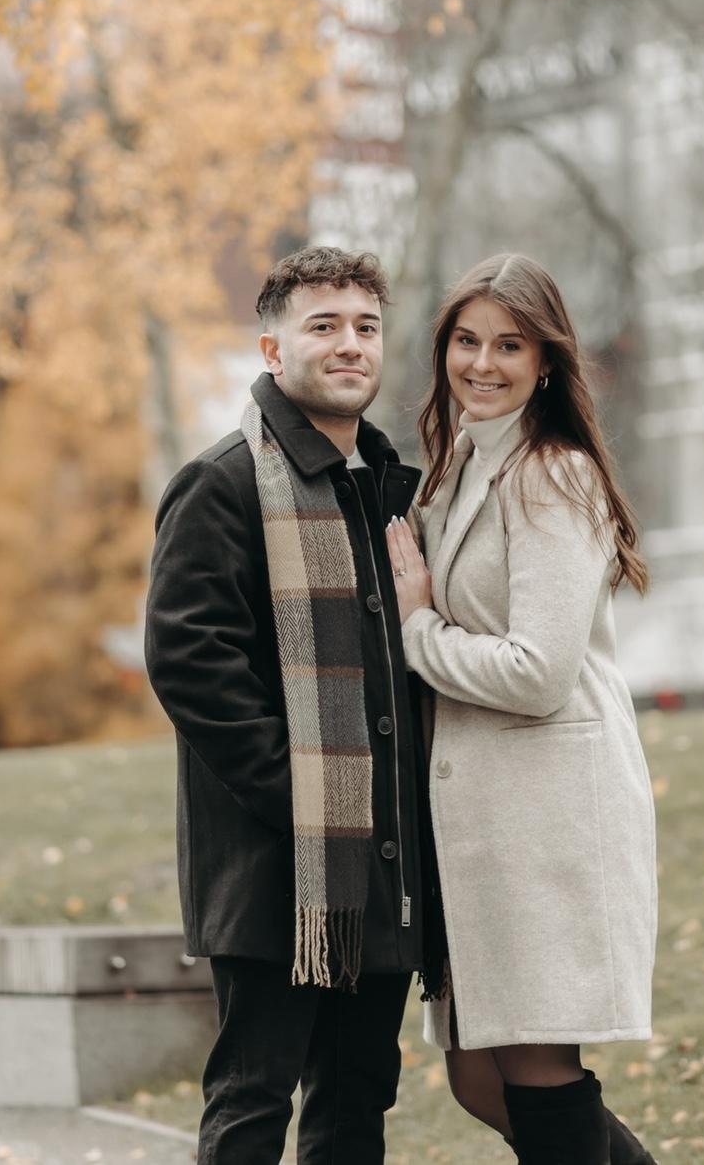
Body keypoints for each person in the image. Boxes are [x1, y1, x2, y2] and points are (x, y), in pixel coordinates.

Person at [144, 246, 437, 1165]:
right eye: (324, 326)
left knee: (355, 1104)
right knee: (252, 1100)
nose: (351, 344)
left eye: (366, 326)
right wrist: (303, 797)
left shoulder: (390, 488)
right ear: (273, 349)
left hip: (379, 866)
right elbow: (190, 663)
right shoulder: (224, 482)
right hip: (275, 865)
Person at [385, 253, 659, 1165]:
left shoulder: (552, 475)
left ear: (546, 361)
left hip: (547, 815)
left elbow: (539, 672)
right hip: (483, 824)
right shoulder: (460, 464)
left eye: (510, 345)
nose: (484, 363)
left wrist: (417, 628)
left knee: (535, 1069)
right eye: (467, 341)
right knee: (479, 1079)